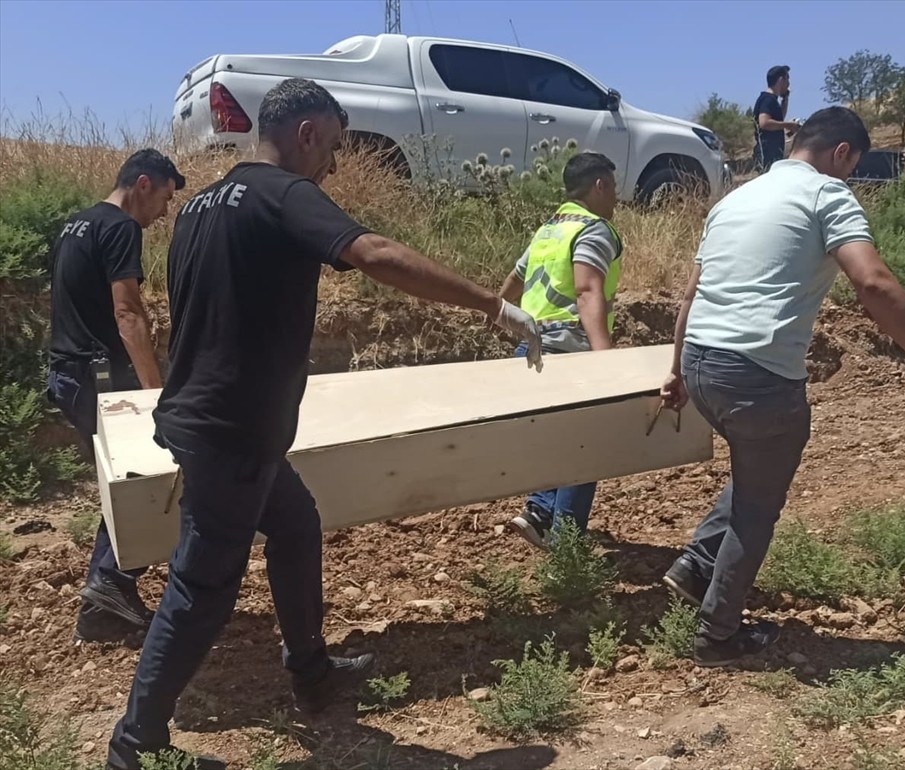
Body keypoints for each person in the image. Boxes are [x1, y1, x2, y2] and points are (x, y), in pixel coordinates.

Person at [105, 78, 543, 770]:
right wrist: (493, 305)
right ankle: (135, 747)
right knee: (201, 588)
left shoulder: (198, 209)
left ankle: (312, 672)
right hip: (233, 431)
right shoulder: (284, 194)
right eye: (333, 146)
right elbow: (374, 254)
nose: (335, 164)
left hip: (214, 420)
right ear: (305, 133)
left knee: (295, 523)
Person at [657, 107, 905, 668]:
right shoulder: (826, 195)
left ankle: (696, 567)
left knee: (756, 470)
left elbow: (691, 296)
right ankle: (718, 635)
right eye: (852, 166)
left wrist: (676, 371)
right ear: (842, 153)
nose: (849, 176)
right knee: (759, 503)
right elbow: (873, 282)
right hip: (757, 375)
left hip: (700, 362)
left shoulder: (733, 200)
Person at [46, 149, 185, 644]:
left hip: (68, 373)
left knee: (119, 486)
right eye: (165, 198)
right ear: (143, 184)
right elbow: (127, 314)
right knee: (143, 482)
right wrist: (155, 394)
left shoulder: (75, 225)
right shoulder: (121, 227)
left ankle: (105, 603)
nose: (164, 212)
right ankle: (110, 580)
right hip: (101, 378)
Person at [499, 152, 623, 549]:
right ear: (600, 185)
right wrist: (605, 360)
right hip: (570, 351)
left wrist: (495, 310)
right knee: (585, 446)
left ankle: (539, 512)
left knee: (555, 440)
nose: (616, 198)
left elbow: (517, 277)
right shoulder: (594, 230)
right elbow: (587, 291)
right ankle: (565, 539)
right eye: (614, 188)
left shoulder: (548, 230)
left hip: (533, 350)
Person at [753, 65, 800, 172]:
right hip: (767, 153)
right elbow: (764, 123)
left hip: (772, 152)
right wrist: (789, 125)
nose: (788, 84)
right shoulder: (768, 99)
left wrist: (785, 99)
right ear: (781, 80)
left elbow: (779, 119)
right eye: (787, 79)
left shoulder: (772, 100)